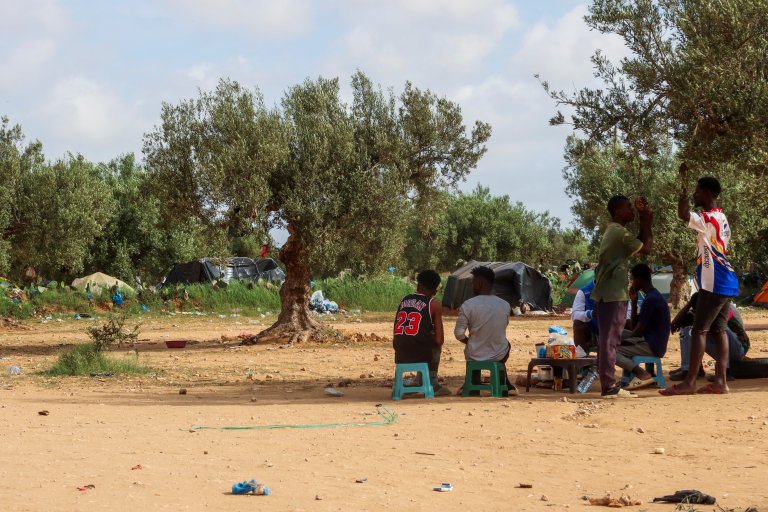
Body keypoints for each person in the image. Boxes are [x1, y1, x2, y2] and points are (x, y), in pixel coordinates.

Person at [662, 166, 739, 395]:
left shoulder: (708, 218)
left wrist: (683, 182)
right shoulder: (721, 217)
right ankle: (720, 383)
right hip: (725, 281)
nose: (694, 195)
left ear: (707, 192)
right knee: (719, 331)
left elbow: (683, 214)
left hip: (714, 282)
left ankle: (690, 382)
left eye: (697, 191)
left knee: (699, 331)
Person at [592, 195, 653, 399]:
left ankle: (609, 384)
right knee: (610, 341)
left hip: (608, 293)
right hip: (613, 294)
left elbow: (640, 244)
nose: (631, 211)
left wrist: (645, 219)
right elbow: (647, 247)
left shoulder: (616, 232)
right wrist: (647, 221)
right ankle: (609, 386)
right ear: (618, 211)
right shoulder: (619, 233)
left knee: (608, 340)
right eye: (628, 207)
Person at [454, 266, 516, 395]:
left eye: (473, 282)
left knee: (473, 350)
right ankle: (504, 384)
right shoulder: (505, 305)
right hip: (499, 354)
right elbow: (501, 328)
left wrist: (469, 341)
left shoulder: (468, 305)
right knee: (506, 344)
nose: (472, 285)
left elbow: (459, 334)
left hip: (474, 354)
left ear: (480, 283)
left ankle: (472, 384)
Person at [392, 270, 451, 396]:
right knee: (435, 341)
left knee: (415, 336)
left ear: (418, 285)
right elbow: (439, 340)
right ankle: (432, 382)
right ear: (435, 291)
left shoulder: (404, 300)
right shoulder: (433, 304)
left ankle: (415, 382)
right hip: (420, 353)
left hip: (400, 351)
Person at [669, 292, 749, 381]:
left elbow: (720, 328)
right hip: (723, 350)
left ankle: (725, 371)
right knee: (688, 327)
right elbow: (680, 321)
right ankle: (690, 368)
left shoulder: (723, 305)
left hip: (738, 349)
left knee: (718, 327)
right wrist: (688, 306)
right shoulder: (702, 305)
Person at [616, 263, 670, 390]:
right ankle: (633, 374)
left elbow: (637, 332)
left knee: (610, 351)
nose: (631, 283)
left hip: (651, 345)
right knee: (616, 333)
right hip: (648, 339)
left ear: (639, 279)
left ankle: (641, 372)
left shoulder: (651, 299)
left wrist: (620, 342)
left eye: (632, 279)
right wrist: (634, 302)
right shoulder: (651, 296)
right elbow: (635, 327)